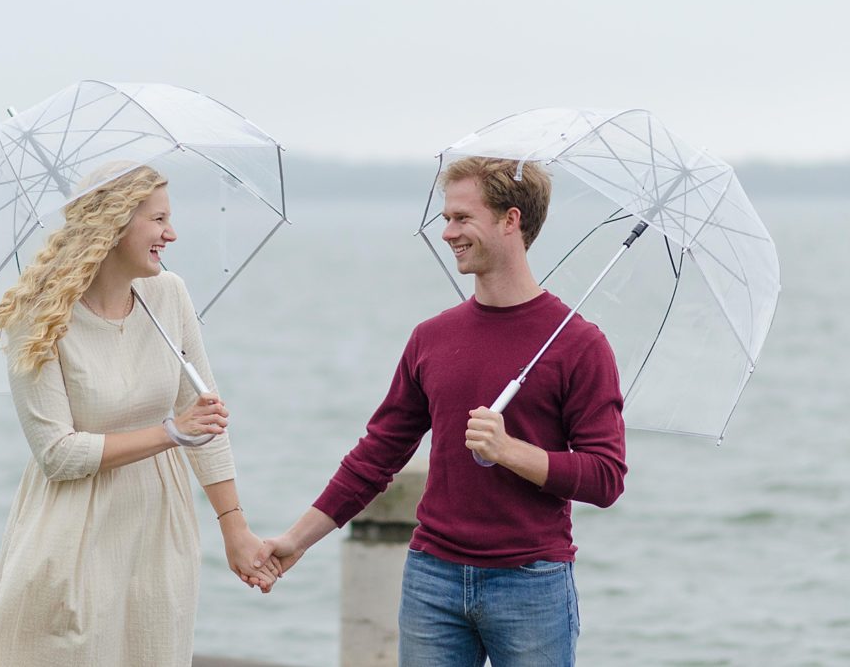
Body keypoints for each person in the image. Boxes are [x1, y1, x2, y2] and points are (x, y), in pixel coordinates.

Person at [254, 157, 627, 666]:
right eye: (446, 218)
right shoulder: (432, 337)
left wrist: (512, 451)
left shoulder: (580, 344)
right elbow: (375, 456)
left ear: (510, 220)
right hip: (432, 577)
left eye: (461, 217)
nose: (447, 231)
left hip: (532, 584)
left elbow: (605, 478)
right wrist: (296, 541)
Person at [0, 164, 278, 666]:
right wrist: (171, 433)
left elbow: (202, 421)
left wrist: (235, 530)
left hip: (159, 525)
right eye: (159, 219)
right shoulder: (39, 315)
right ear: (115, 224)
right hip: (72, 527)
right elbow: (57, 454)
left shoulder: (168, 294)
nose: (172, 234)